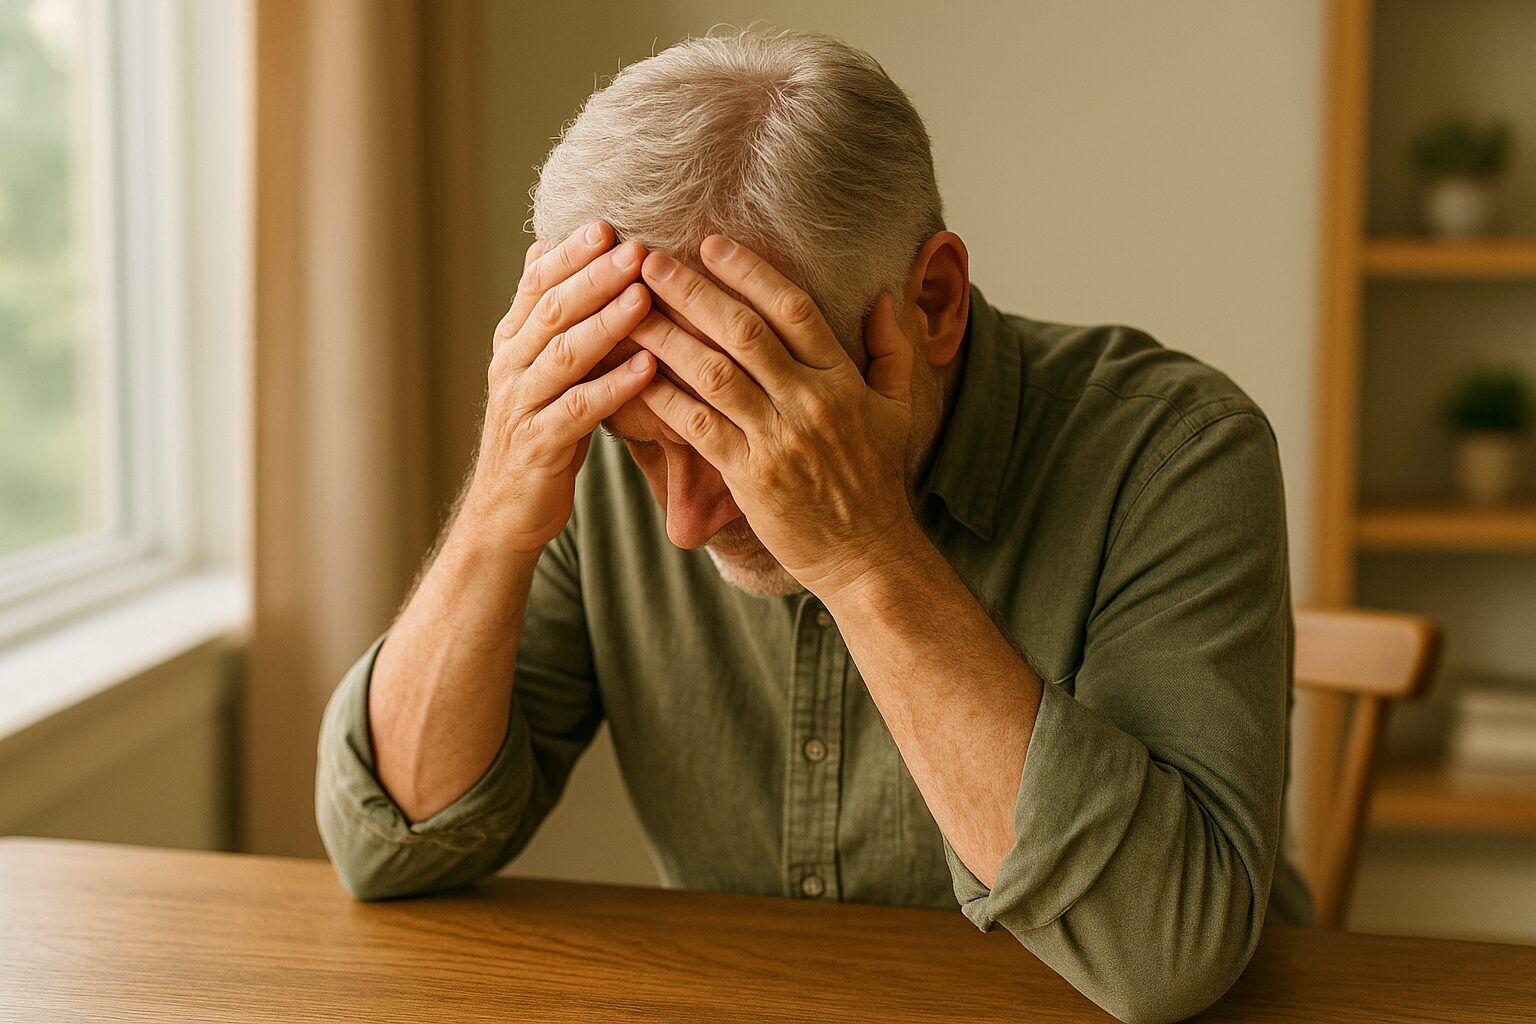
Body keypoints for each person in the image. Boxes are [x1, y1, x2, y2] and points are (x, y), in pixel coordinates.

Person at [316, 27, 1311, 1024]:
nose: (686, 523)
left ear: (933, 301)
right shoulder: (598, 440)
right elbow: (391, 843)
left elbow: (1164, 952)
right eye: (645, 448)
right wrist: (495, 511)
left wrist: (864, 552)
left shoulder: (1179, 451)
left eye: (752, 429)